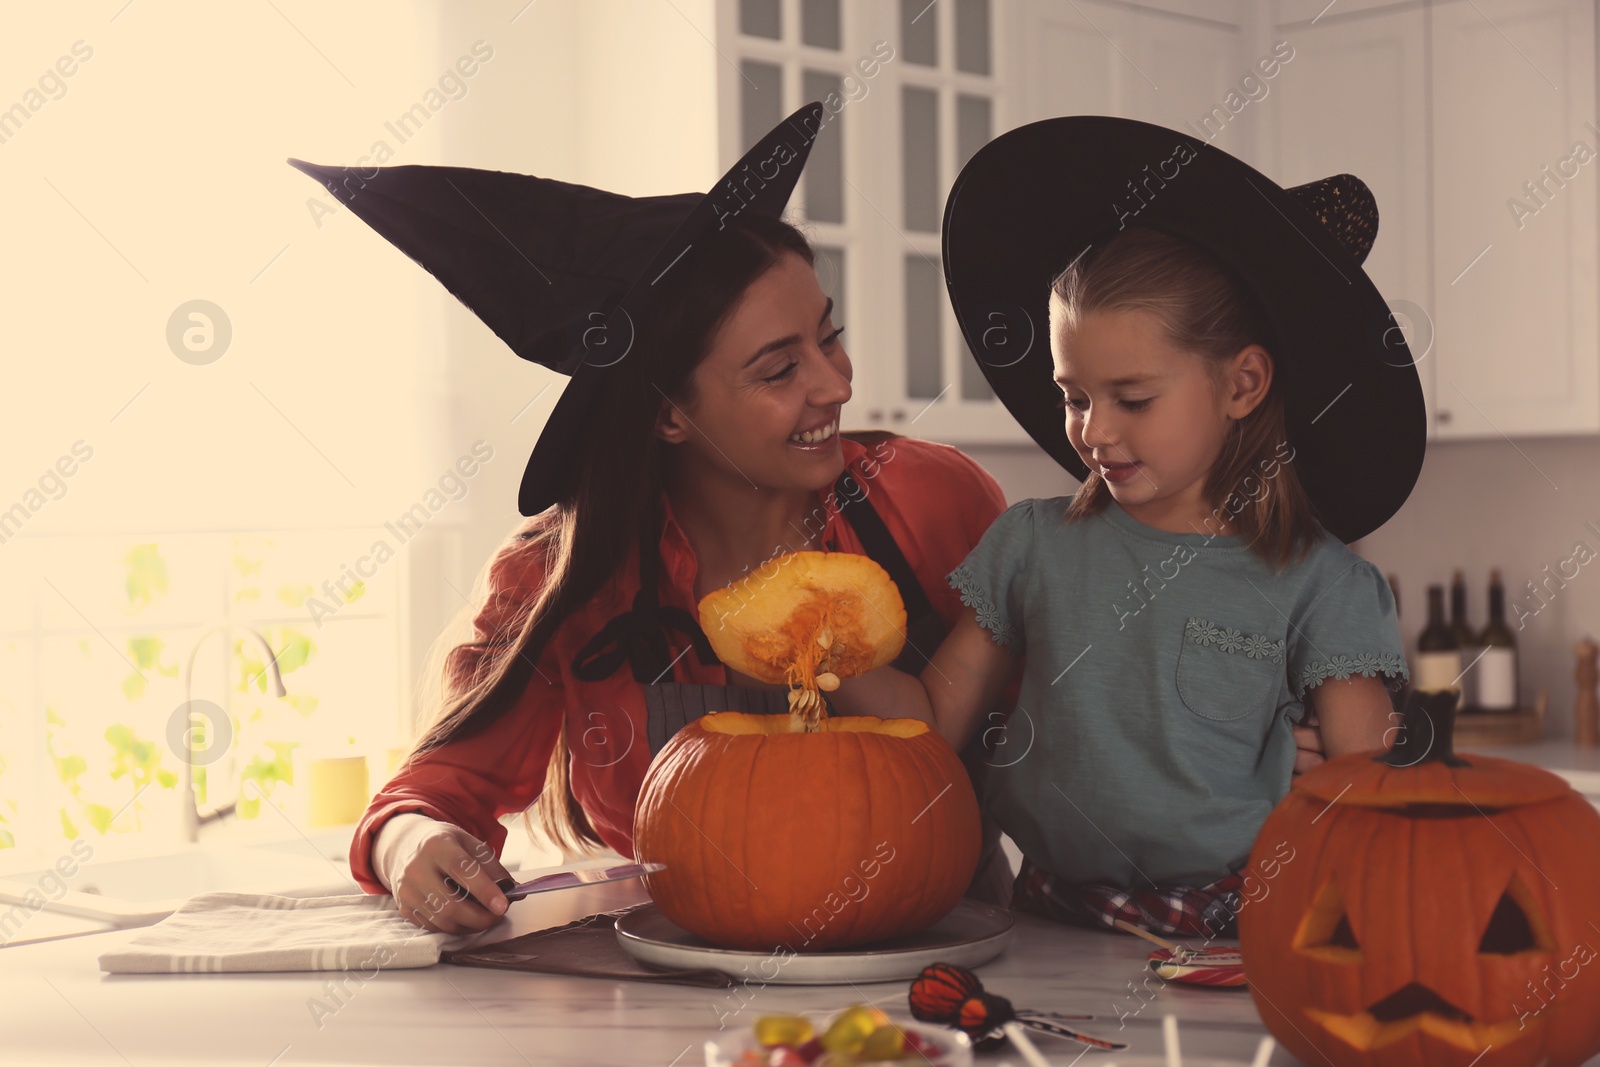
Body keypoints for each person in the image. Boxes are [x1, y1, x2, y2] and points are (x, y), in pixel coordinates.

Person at [289, 103, 1016, 934]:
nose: (836, 384)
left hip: (946, 965)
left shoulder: (929, 500)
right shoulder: (562, 576)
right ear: (669, 414)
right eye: (781, 369)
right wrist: (410, 844)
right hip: (679, 990)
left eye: (829, 337)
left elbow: (1058, 736)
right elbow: (432, 793)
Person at [833, 116, 1425, 939]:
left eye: (1132, 398)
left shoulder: (1320, 581)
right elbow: (930, 726)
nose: (1093, 431)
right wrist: (828, 648)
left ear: (1244, 383)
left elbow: (1364, 796)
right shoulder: (1032, 544)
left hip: (1243, 923)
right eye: (1074, 395)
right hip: (1043, 915)